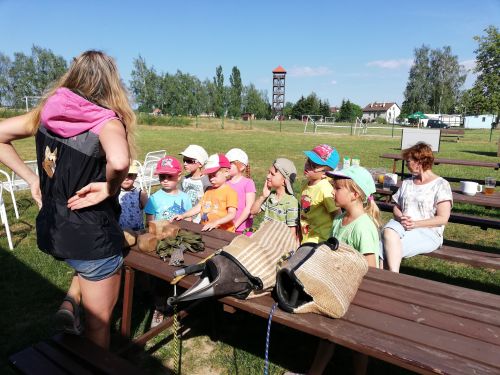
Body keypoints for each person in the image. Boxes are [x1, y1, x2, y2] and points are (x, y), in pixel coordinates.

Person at [0, 50, 135, 349]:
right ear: (112, 83)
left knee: (84, 274)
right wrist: (109, 189)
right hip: (94, 241)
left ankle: (70, 302)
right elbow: (120, 160)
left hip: (53, 232)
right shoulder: (106, 122)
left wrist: (32, 178)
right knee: (98, 330)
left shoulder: (46, 114)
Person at [305, 165, 381, 375]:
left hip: (359, 294)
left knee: (357, 344)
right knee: (328, 335)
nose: (332, 192)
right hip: (339, 288)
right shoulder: (339, 219)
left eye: (337, 188)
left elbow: (372, 270)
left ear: (355, 194)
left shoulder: (363, 227)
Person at [380, 142, 452, 273]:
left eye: (408, 161)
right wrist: (401, 217)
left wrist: (416, 224)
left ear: (420, 161)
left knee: (384, 247)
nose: (406, 164)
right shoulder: (407, 182)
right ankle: (385, 278)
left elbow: (443, 218)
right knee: (386, 234)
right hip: (402, 227)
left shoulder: (441, 185)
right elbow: (396, 206)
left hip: (428, 232)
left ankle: (389, 278)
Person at [173, 154, 237, 232]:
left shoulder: (230, 192)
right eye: (209, 176)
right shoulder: (209, 190)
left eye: (214, 175)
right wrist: (183, 215)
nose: (211, 179)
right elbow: (199, 207)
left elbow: (231, 214)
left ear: (226, 172)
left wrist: (216, 222)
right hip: (207, 229)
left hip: (224, 233)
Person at [250, 158, 299, 241]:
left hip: (277, 244)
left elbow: (292, 232)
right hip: (264, 238)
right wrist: (263, 196)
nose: (268, 176)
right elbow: (253, 212)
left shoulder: (291, 203)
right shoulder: (271, 196)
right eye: (268, 172)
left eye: (272, 174)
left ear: (284, 181)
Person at [300, 144, 339, 244]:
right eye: (308, 161)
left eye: (313, 165)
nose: (308, 165)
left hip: (319, 240)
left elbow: (337, 214)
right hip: (306, 236)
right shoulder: (306, 184)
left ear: (325, 173)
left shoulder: (325, 189)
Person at [144, 156, 192, 223]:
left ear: (179, 176)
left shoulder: (185, 197)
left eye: (170, 176)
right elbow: (149, 223)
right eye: (162, 177)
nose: (165, 180)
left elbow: (189, 219)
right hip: (160, 232)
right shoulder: (154, 198)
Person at [226, 148, 256, 235]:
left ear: (242, 167)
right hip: (226, 227)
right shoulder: (225, 183)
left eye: (230, 164)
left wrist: (235, 226)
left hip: (243, 228)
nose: (226, 167)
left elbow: (248, 208)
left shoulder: (248, 183)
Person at [178, 144, 210, 223]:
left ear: (200, 164)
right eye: (184, 160)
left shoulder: (207, 182)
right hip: (183, 217)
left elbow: (208, 203)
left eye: (189, 161)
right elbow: (179, 198)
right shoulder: (184, 179)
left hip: (199, 221)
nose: (185, 164)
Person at [118, 162, 148, 231]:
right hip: (120, 231)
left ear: (135, 176)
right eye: (123, 175)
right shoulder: (114, 193)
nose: (126, 178)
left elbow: (149, 212)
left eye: (130, 175)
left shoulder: (140, 194)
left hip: (137, 232)